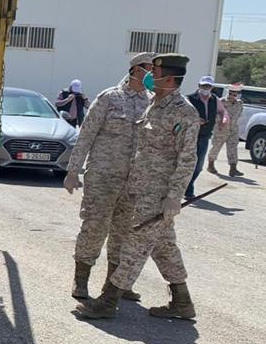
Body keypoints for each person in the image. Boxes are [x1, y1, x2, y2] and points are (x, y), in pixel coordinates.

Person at [76, 53, 201, 321]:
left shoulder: (184, 112)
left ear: (170, 79)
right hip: (139, 189)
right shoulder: (155, 105)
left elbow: (187, 159)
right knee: (164, 247)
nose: (150, 77)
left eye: (155, 74)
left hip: (158, 195)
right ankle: (182, 302)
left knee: (134, 245)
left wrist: (174, 196)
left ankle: (108, 301)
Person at [64, 52, 154, 301]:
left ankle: (114, 286)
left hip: (134, 183)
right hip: (103, 178)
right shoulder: (110, 98)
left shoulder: (152, 103)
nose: (153, 74)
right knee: (94, 228)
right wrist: (73, 171)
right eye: (149, 68)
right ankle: (81, 281)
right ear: (136, 70)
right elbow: (86, 135)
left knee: (124, 234)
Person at [185, 75, 219, 198]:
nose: (206, 88)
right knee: (186, 164)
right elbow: (184, 115)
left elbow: (222, 111)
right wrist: (196, 120)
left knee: (198, 167)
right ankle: (187, 190)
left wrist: (225, 118)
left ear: (212, 87)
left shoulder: (215, 100)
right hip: (190, 136)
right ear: (199, 86)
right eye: (204, 86)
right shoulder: (189, 98)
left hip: (204, 137)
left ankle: (188, 186)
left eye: (208, 86)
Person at [208, 83, 245, 177]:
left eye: (235, 94)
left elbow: (239, 115)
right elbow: (215, 115)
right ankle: (210, 164)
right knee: (216, 146)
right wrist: (220, 123)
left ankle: (233, 168)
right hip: (221, 129)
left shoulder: (239, 104)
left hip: (233, 129)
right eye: (230, 93)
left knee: (233, 148)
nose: (232, 96)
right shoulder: (221, 102)